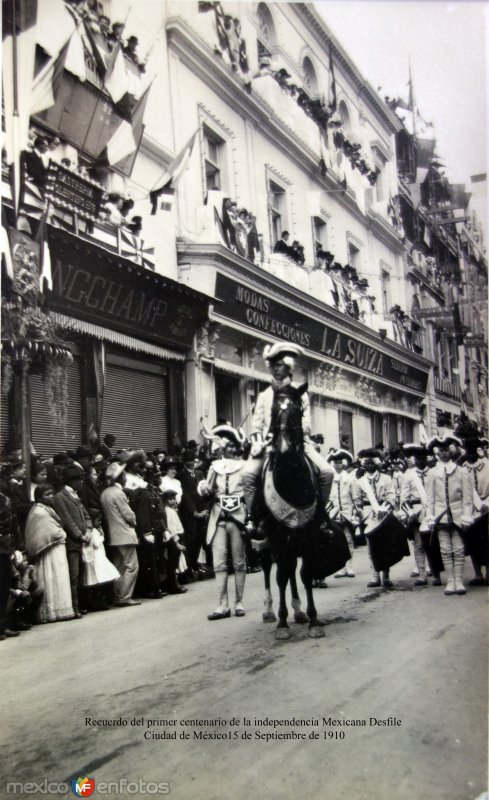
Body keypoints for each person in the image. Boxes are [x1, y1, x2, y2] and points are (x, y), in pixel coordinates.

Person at [241, 342, 334, 520]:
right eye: (274, 366)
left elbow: (307, 424)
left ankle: (321, 515)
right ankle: (253, 518)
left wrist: (292, 430)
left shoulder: (300, 394)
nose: (277, 370)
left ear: (288, 368)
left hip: (299, 443)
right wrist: (259, 442)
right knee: (247, 475)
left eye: (281, 366)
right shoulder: (264, 396)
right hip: (269, 445)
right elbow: (256, 425)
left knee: (327, 472)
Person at [198, 427, 249, 620]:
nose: (232, 450)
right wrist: (204, 489)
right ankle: (222, 604)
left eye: (235, 446)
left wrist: (249, 514)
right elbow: (208, 490)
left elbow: (250, 492)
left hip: (238, 517)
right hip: (218, 516)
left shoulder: (245, 466)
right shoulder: (215, 467)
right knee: (219, 563)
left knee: (239, 561)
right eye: (229, 446)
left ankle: (239, 602)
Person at [425, 435, 473, 596]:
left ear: (452, 452)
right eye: (441, 451)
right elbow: (430, 499)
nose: (444, 454)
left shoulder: (461, 471)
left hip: (458, 515)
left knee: (458, 549)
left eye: (447, 450)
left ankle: (458, 580)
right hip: (440, 517)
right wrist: (430, 516)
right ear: (437, 453)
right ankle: (450, 581)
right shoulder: (432, 473)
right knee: (445, 550)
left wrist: (467, 515)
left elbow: (467, 498)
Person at [24, 484, 74, 623]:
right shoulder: (39, 512)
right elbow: (48, 531)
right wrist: (61, 533)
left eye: (52, 493)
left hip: (56, 548)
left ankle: (61, 609)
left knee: (58, 576)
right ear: (39, 497)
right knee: (50, 577)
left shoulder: (47, 509)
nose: (51, 496)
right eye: (47, 494)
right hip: (48, 550)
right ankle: (50, 611)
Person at [53, 464, 93, 618]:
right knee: (73, 575)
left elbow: (86, 515)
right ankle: (73, 607)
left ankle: (80, 605)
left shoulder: (76, 495)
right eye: (79, 479)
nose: (81, 482)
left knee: (81, 574)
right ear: (71, 481)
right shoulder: (60, 497)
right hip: (73, 542)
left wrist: (89, 530)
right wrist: (80, 535)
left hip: (82, 540)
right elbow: (67, 519)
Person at [352, 448, 396, 588]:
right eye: (367, 462)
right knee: (371, 547)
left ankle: (386, 576)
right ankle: (375, 575)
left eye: (372, 462)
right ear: (363, 464)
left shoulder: (386, 478)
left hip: (383, 514)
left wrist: (384, 509)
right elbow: (357, 500)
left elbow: (391, 497)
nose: (370, 465)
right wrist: (358, 513)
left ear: (377, 463)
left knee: (385, 545)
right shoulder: (359, 482)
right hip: (368, 515)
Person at [100, 462, 141, 607]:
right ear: (120, 478)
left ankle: (118, 595)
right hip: (124, 533)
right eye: (123, 475)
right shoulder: (119, 493)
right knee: (132, 566)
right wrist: (134, 522)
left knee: (119, 566)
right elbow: (129, 515)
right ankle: (125, 596)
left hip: (113, 534)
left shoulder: (105, 493)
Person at [400, 444, 440, 587]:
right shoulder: (408, 475)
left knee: (434, 544)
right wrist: (410, 512)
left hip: (432, 511)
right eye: (418, 458)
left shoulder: (434, 472)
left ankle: (436, 574)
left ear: (427, 459)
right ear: (414, 459)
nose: (421, 461)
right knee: (418, 545)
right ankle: (422, 574)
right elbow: (404, 498)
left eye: (424, 458)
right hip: (416, 512)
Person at [462, 437, 489, 585]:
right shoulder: (461, 469)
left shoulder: (487, 466)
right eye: (468, 452)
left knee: (487, 541)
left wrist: (486, 504)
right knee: (472, 541)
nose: (471, 455)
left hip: (486, 509)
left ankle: (488, 573)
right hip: (470, 510)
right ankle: (477, 573)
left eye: (474, 451)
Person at [326, 449, 357, 578]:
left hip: (347, 513)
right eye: (335, 462)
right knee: (338, 541)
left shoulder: (350, 479)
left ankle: (349, 566)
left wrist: (354, 512)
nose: (337, 465)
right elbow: (328, 497)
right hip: (334, 513)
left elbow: (354, 497)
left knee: (348, 539)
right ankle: (341, 567)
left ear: (344, 464)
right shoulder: (331, 479)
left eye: (339, 462)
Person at [179, 450, 209, 578]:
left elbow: (205, 491)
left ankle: (195, 563)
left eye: (192, 460)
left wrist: (206, 509)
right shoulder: (181, 476)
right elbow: (185, 495)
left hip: (202, 511)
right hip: (190, 514)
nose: (190, 463)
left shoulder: (199, 473)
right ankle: (190, 566)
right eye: (188, 460)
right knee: (191, 540)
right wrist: (194, 511)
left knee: (199, 539)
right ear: (184, 462)